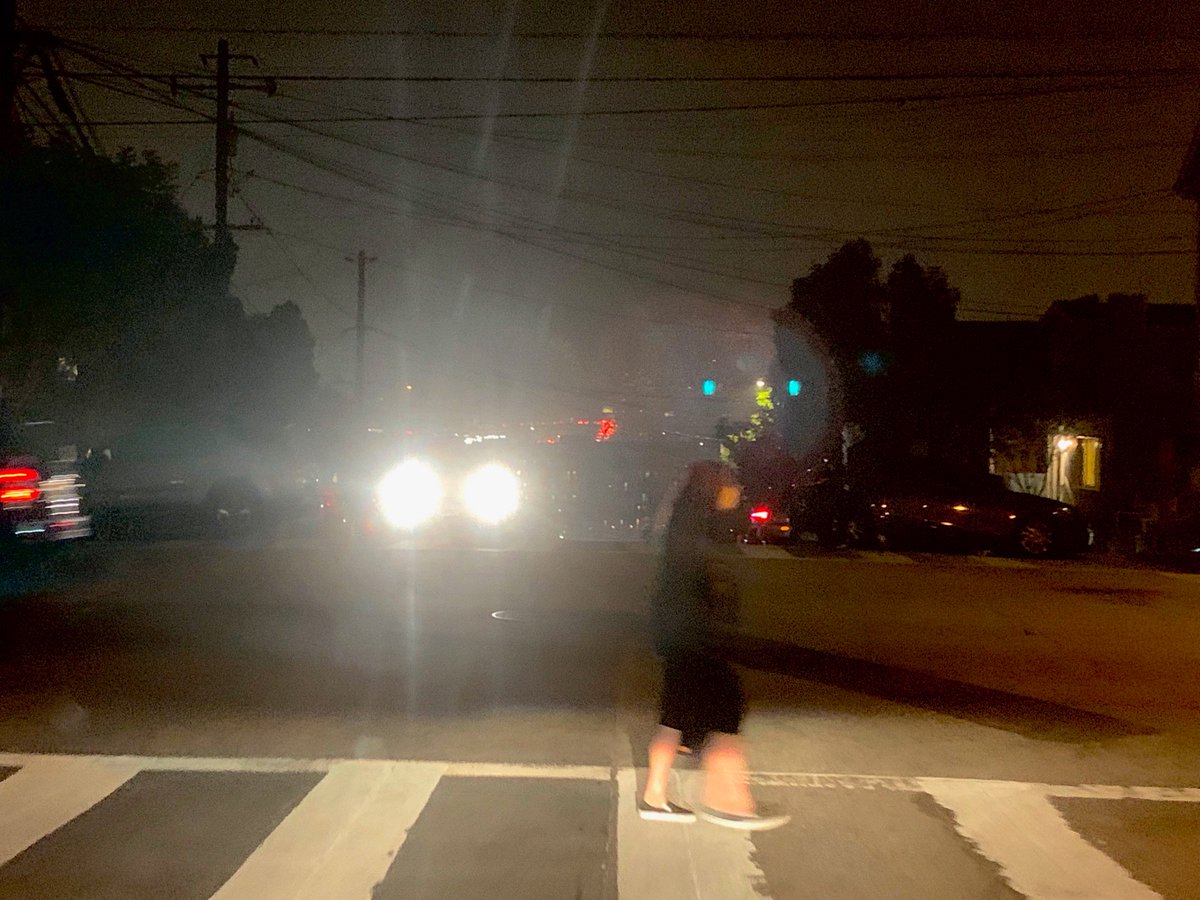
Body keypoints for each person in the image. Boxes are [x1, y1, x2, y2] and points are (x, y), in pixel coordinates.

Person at [639, 460, 789, 830]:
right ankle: (728, 802)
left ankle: (656, 797)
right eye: (731, 483)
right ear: (714, 489)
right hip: (695, 635)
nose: (737, 490)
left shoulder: (689, 521)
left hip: (682, 633)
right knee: (724, 709)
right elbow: (705, 581)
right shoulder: (703, 527)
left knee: (676, 716)